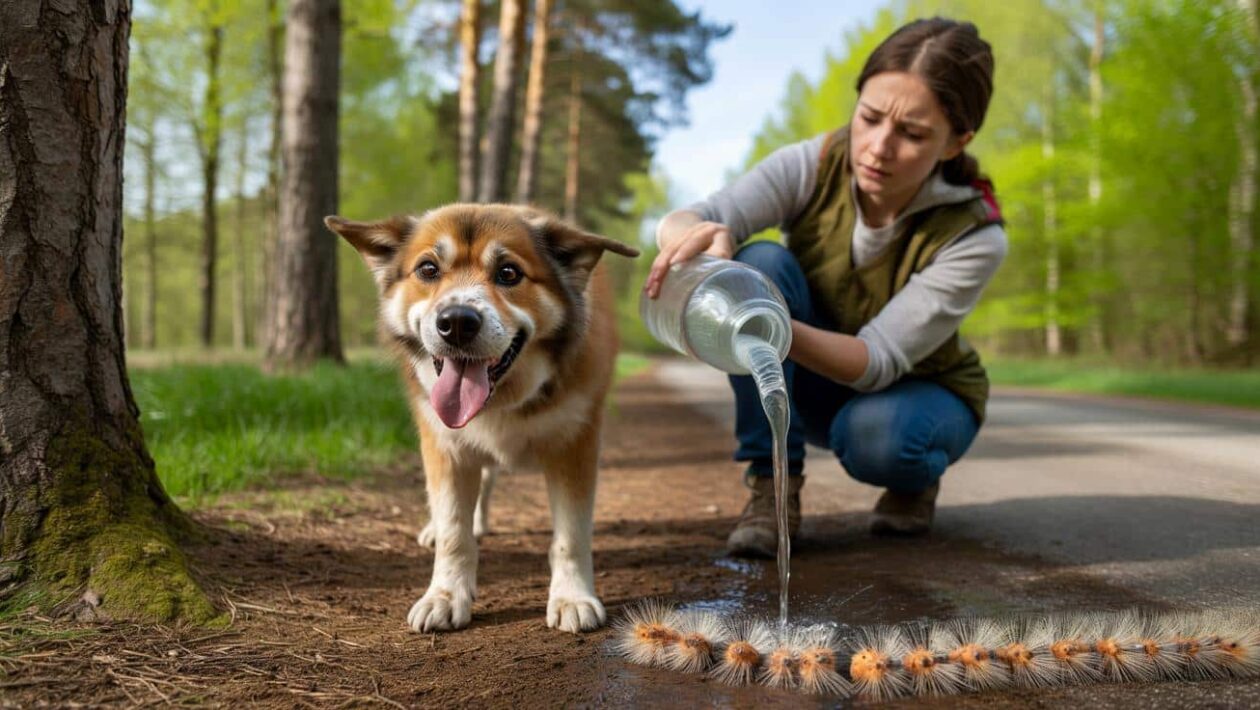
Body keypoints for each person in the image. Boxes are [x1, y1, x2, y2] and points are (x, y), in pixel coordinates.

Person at [644, 17, 1007, 558]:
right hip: (812, 382)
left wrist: (758, 320)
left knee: (880, 440)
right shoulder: (812, 164)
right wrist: (697, 238)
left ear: (957, 142)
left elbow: (875, 361)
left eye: (911, 134)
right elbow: (693, 216)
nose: (878, 147)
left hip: (914, 390)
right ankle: (772, 490)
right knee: (759, 260)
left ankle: (913, 481)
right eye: (870, 117)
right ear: (857, 102)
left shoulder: (975, 234)